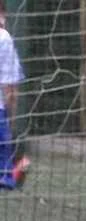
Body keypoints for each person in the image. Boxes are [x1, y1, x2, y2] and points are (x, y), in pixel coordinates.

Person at [0, 2, 29, 191]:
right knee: (5, 177)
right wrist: (10, 119)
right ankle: (16, 169)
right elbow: (10, 90)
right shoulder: (3, 38)